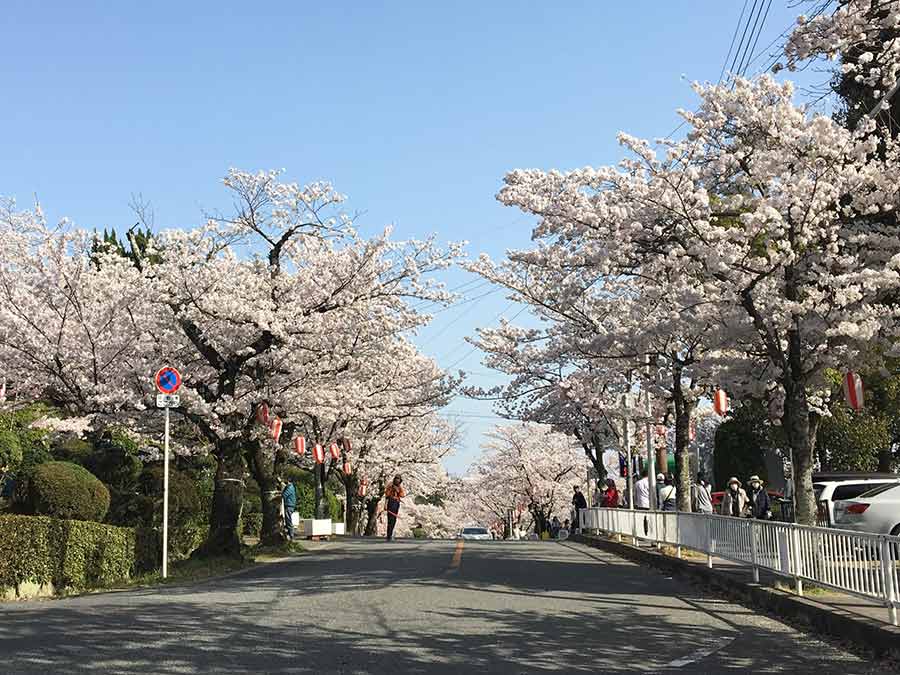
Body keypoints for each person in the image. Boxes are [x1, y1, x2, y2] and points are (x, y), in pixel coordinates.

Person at [384, 474, 406, 541]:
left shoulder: (399, 487)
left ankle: (390, 534)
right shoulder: (390, 486)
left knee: (393, 519)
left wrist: (398, 490)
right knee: (390, 519)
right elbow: (387, 496)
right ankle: (389, 535)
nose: (397, 480)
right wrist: (385, 504)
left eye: (398, 479)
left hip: (396, 503)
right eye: (396, 478)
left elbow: (402, 495)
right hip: (391, 502)